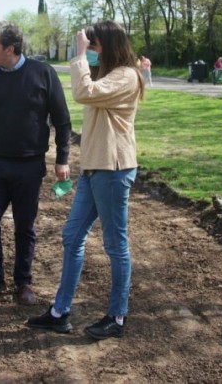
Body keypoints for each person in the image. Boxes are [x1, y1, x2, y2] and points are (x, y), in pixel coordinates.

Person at [27, 20, 143, 340]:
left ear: (108, 45)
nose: (89, 52)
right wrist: (85, 59)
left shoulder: (126, 76)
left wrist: (78, 56)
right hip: (94, 169)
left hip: (113, 169)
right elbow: (87, 89)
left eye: (93, 47)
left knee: (115, 245)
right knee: (72, 236)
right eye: (88, 47)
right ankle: (60, 312)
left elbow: (82, 91)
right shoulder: (108, 74)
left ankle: (117, 318)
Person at [0, 21, 71, 305]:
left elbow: (62, 120)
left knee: (25, 227)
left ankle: (23, 283)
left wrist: (62, 159)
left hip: (29, 166)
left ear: (9, 49)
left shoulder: (43, 73)